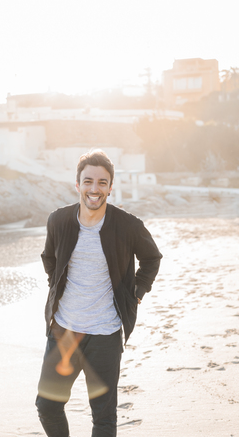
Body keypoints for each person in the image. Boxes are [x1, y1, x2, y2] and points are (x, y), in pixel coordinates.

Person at [35, 149, 162, 437]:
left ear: (110, 187)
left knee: (103, 418)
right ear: (77, 184)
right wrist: (57, 290)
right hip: (64, 331)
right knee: (47, 406)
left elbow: (152, 258)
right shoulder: (59, 220)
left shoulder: (127, 225)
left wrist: (137, 294)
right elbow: (49, 258)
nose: (95, 189)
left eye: (102, 183)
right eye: (88, 181)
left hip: (104, 334)